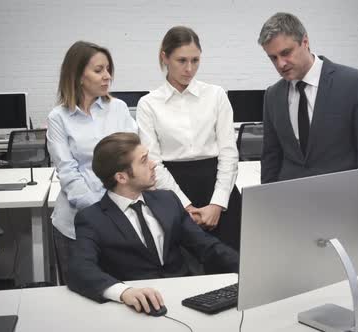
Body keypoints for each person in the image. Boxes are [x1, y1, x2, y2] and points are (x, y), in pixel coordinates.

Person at [67, 132, 239, 313]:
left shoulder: (167, 200)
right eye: (143, 160)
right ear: (121, 177)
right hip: (136, 309)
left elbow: (207, 246)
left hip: (184, 299)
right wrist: (124, 292)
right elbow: (79, 268)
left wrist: (246, 266)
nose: (153, 164)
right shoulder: (92, 218)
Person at [136, 26, 241, 252]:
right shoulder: (148, 104)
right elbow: (153, 162)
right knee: (184, 268)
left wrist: (217, 203)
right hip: (172, 189)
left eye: (195, 60)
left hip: (218, 186)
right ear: (165, 57)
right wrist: (185, 207)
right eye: (181, 60)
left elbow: (229, 153)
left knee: (234, 264)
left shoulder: (216, 95)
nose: (189, 68)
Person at [47, 41, 138, 283]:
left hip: (121, 220)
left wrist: (117, 213)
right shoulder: (58, 117)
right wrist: (102, 213)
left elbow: (134, 158)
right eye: (98, 70)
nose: (107, 76)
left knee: (121, 293)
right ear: (77, 75)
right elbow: (68, 172)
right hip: (76, 224)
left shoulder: (118, 109)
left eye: (108, 69)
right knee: (79, 298)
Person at [258, 13, 358, 184]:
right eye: (273, 58)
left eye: (286, 53)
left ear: (305, 42)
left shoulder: (355, 84)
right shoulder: (273, 95)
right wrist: (268, 201)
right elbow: (271, 158)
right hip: (291, 201)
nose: (280, 64)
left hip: (342, 198)